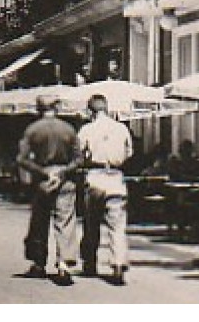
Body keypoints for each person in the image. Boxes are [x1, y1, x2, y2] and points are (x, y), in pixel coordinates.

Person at [17, 93, 80, 286]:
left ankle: (38, 263)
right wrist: (62, 171)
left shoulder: (33, 130)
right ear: (57, 108)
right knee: (65, 221)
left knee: (39, 221)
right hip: (65, 179)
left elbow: (21, 159)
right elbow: (79, 159)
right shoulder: (69, 130)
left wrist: (44, 173)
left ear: (39, 109)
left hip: (42, 179)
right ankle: (64, 265)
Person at [76, 93, 132, 285]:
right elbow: (129, 152)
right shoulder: (122, 128)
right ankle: (117, 264)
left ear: (91, 111)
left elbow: (79, 154)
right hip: (116, 177)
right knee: (117, 225)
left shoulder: (86, 130)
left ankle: (90, 262)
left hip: (95, 177)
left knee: (91, 224)